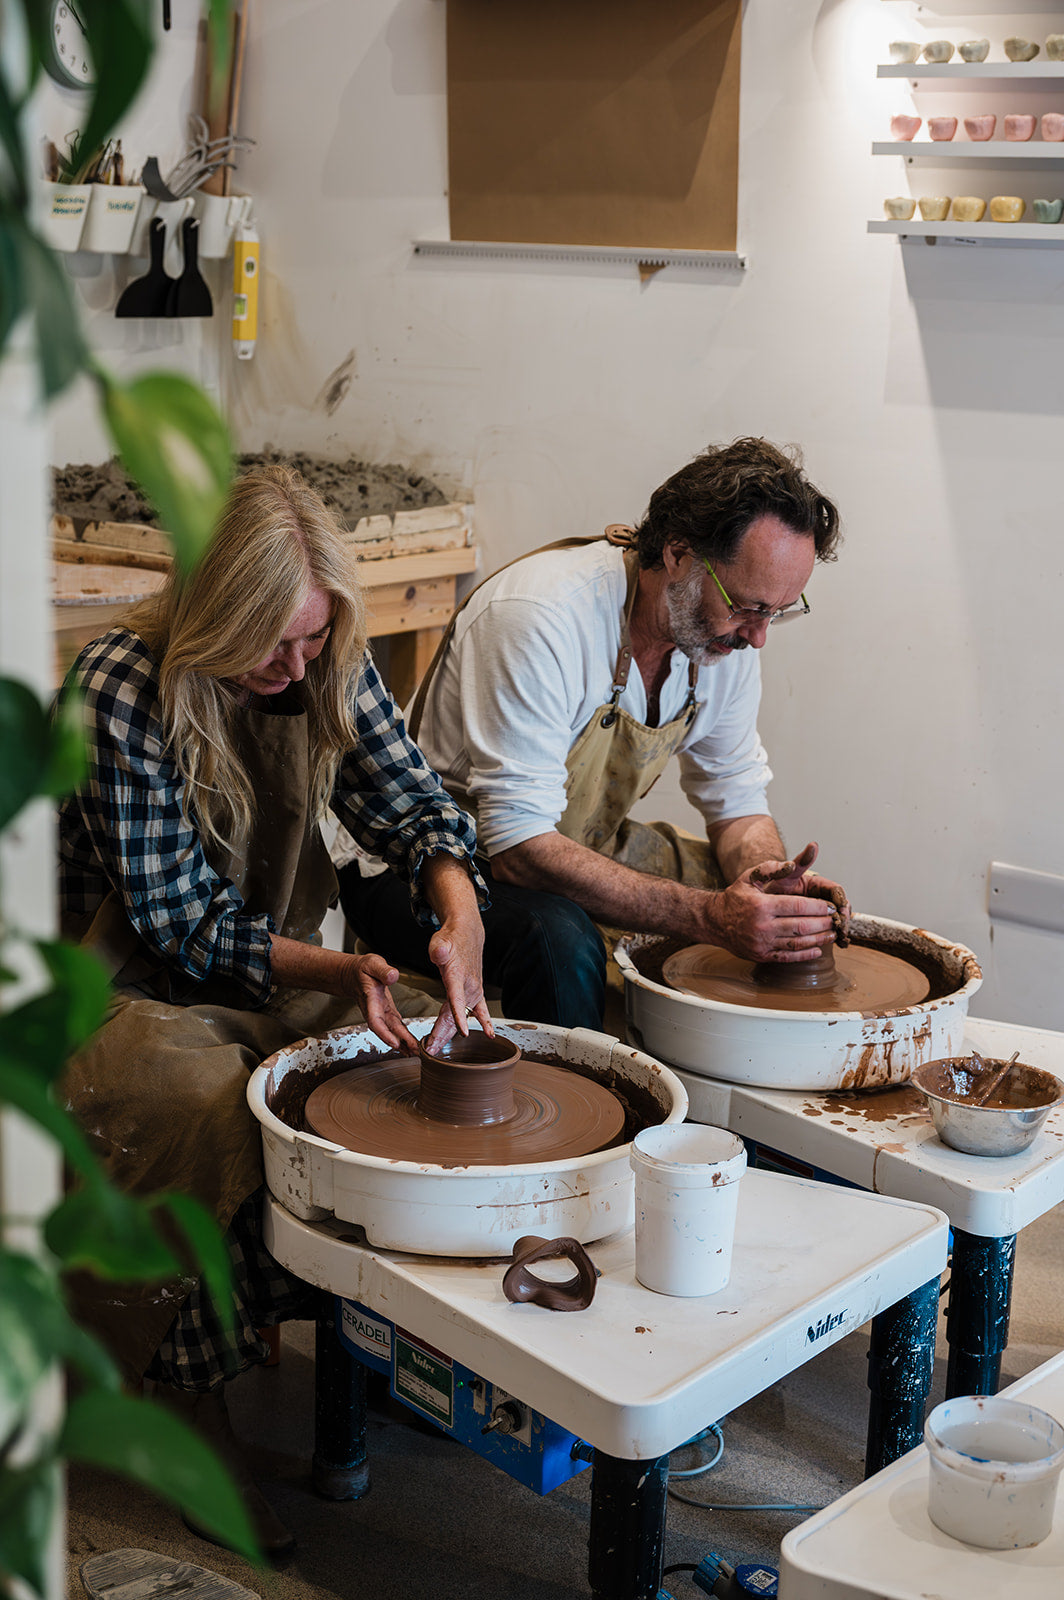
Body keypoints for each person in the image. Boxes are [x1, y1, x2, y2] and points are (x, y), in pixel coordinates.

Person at [59, 466, 490, 1554]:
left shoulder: (322, 659)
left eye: (311, 642)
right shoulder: (121, 684)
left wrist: (454, 910)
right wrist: (344, 973)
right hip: (120, 989)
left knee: (429, 1045)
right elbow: (180, 926)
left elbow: (414, 805)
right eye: (273, 646)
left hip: (267, 966)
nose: (297, 669)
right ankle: (184, 1402)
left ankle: (373, 1346)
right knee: (212, 1098)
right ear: (212, 617)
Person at [338, 436, 849, 1031]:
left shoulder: (722, 640)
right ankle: (562, 1109)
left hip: (574, 841)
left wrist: (772, 881)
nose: (758, 637)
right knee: (560, 938)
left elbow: (736, 800)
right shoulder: (542, 617)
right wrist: (711, 917)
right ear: (679, 554)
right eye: (746, 606)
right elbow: (519, 850)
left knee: (765, 904)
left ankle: (707, 1097)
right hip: (424, 869)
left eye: (778, 612)